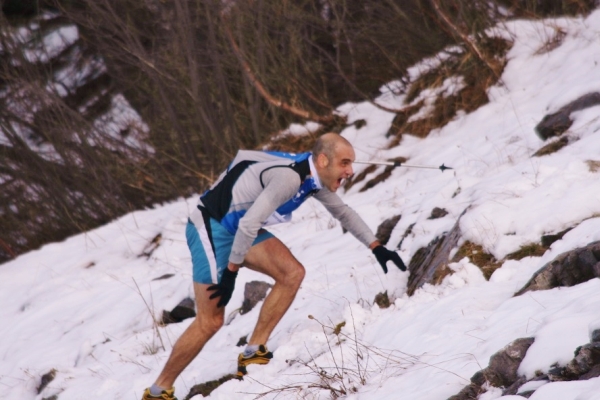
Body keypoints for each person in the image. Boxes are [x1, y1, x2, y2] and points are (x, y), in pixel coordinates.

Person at [141, 133, 406, 400]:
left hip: (242, 227)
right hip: (212, 228)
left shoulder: (314, 176)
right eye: (345, 163)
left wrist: (377, 247)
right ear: (323, 160)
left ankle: (253, 352)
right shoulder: (289, 178)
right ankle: (158, 391)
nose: (350, 171)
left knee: (292, 273)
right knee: (210, 321)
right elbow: (247, 225)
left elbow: (344, 212)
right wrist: (231, 274)